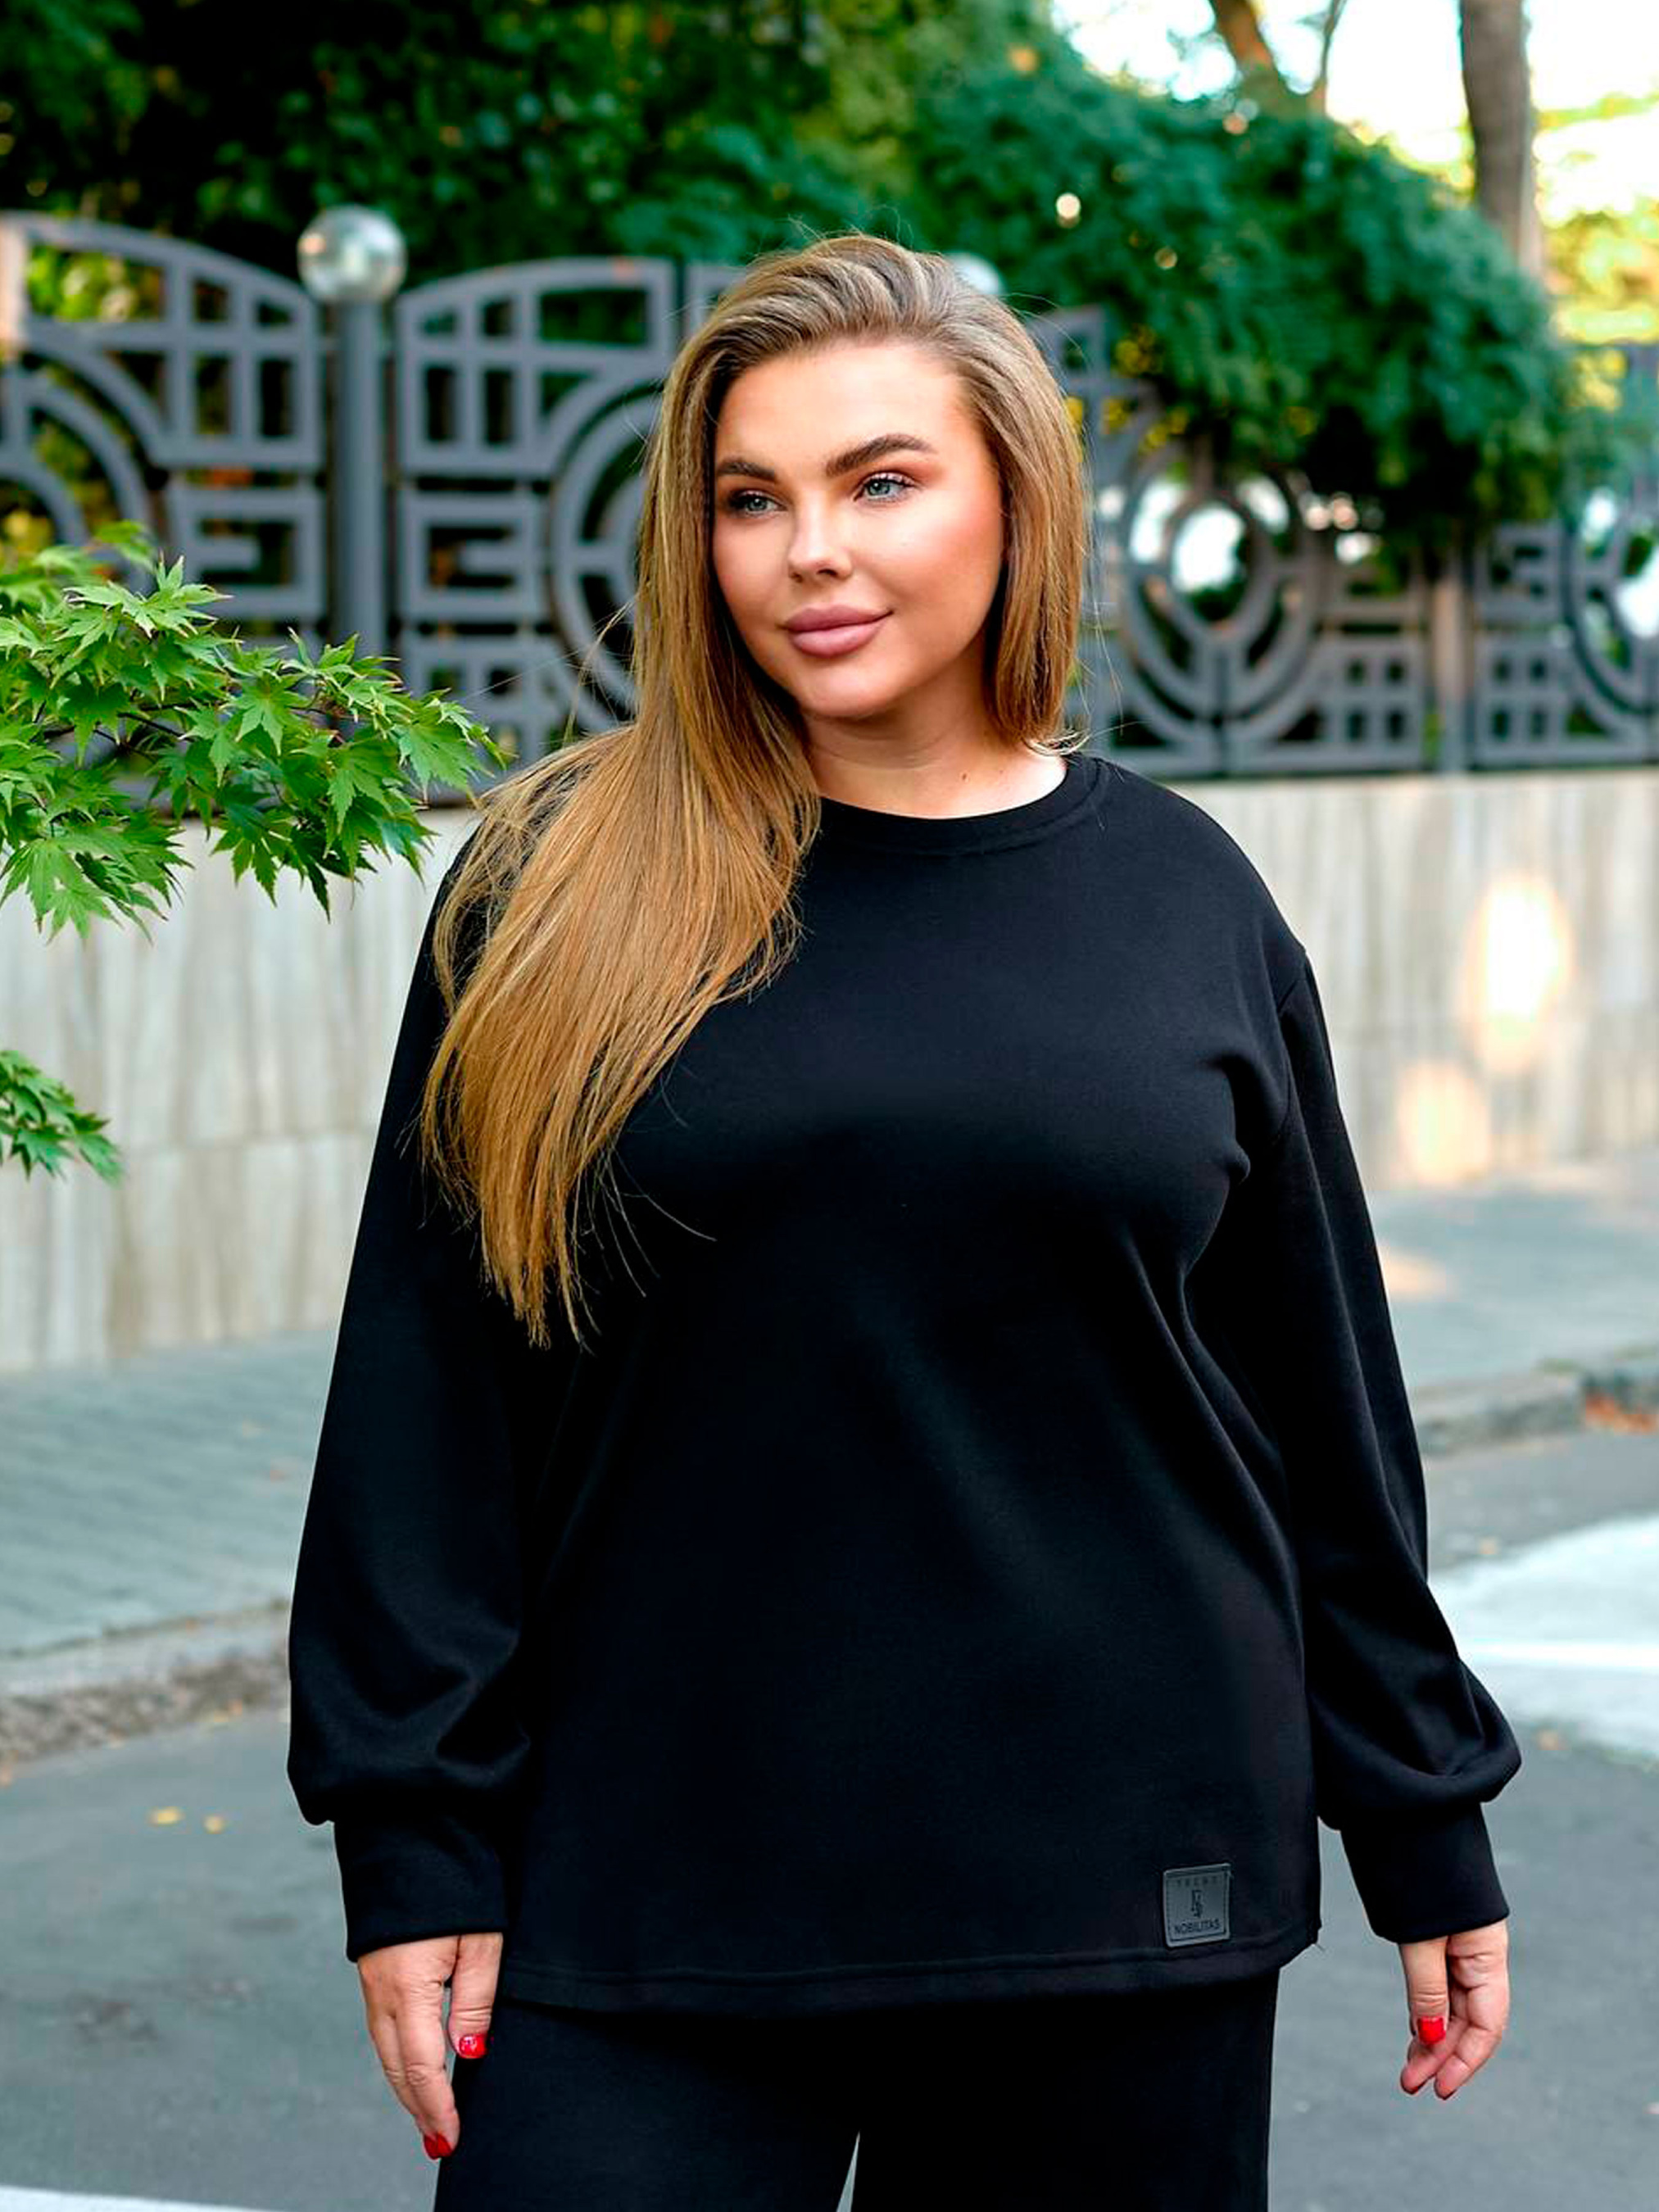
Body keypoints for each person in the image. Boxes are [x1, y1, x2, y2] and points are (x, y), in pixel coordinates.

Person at [286, 230, 1521, 2208]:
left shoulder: (1182, 899)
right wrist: (410, 1836)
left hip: (1118, 1881)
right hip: (641, 1889)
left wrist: (1421, 1808)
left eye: (878, 481)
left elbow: (1317, 1401)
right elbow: (426, 1401)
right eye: (748, 499)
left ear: (1013, 500)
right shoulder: (555, 885)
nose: (808, 554)